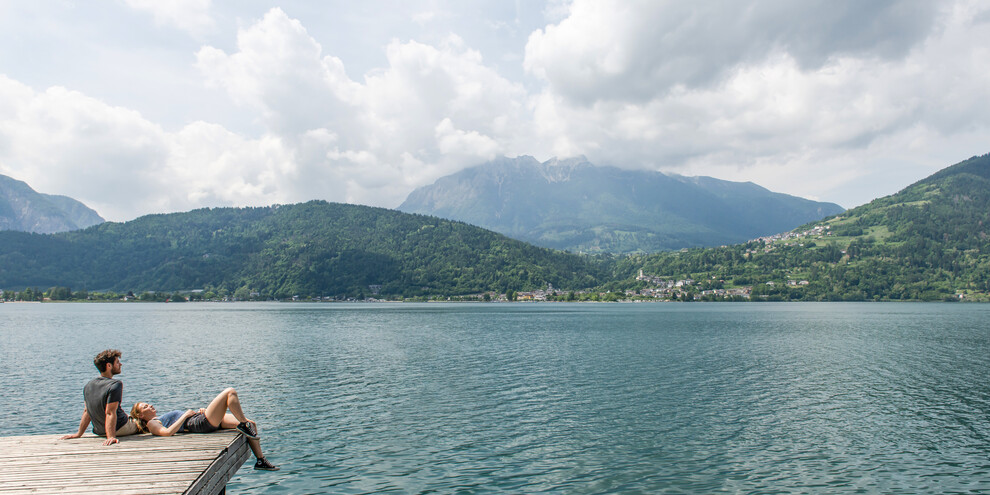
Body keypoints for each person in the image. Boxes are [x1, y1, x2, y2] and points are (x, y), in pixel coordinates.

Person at [130, 387, 279, 471]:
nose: (150, 406)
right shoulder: (152, 423)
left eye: (148, 404)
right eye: (145, 407)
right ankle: (243, 424)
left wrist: (196, 412)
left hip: (199, 419)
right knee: (230, 392)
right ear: (141, 415)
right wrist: (186, 415)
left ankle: (260, 460)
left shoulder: (159, 417)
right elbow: (167, 433)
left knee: (251, 424)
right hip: (197, 423)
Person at [61, 349, 140, 445]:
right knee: (144, 418)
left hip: (100, 431)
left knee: (130, 415)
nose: (121, 364)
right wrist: (111, 436)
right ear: (109, 366)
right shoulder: (115, 384)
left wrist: (79, 434)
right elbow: (110, 412)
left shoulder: (88, 385)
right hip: (120, 428)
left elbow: (87, 411)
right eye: (117, 362)